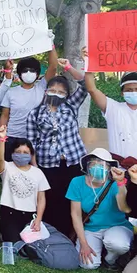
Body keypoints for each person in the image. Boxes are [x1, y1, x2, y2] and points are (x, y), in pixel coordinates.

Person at [25, 59, 88, 238]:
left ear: (67, 95)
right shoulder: (35, 113)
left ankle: (70, 236)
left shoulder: (71, 106)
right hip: (47, 166)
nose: (56, 94)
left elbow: (85, 84)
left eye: (61, 92)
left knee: (72, 201)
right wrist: (35, 167)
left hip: (73, 163)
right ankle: (50, 236)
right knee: (51, 200)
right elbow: (31, 143)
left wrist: (68, 68)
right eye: (53, 90)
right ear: (46, 91)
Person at [67, 149, 132, 270]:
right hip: (91, 228)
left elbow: (124, 208)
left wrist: (121, 184)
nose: (98, 166)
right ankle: (98, 251)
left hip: (116, 225)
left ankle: (110, 259)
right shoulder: (77, 182)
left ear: (109, 168)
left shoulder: (115, 183)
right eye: (94, 163)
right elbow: (75, 214)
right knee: (88, 265)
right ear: (87, 165)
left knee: (118, 244)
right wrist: (83, 243)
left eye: (102, 164)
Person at [0, 48, 59, 158]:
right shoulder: (11, 92)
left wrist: (51, 45)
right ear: (20, 73)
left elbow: (53, 66)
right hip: (12, 138)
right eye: (25, 70)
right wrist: (2, 137)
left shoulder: (41, 87)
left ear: (37, 73)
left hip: (35, 138)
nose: (28, 73)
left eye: (32, 70)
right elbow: (4, 115)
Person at [0, 126, 48, 243]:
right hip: (9, 214)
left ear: (31, 155)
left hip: (29, 216)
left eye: (25, 152)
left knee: (31, 245)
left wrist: (38, 220)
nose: (21, 154)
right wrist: (2, 139)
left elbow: (41, 199)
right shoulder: (7, 167)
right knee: (15, 243)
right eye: (18, 152)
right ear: (12, 153)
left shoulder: (38, 173)